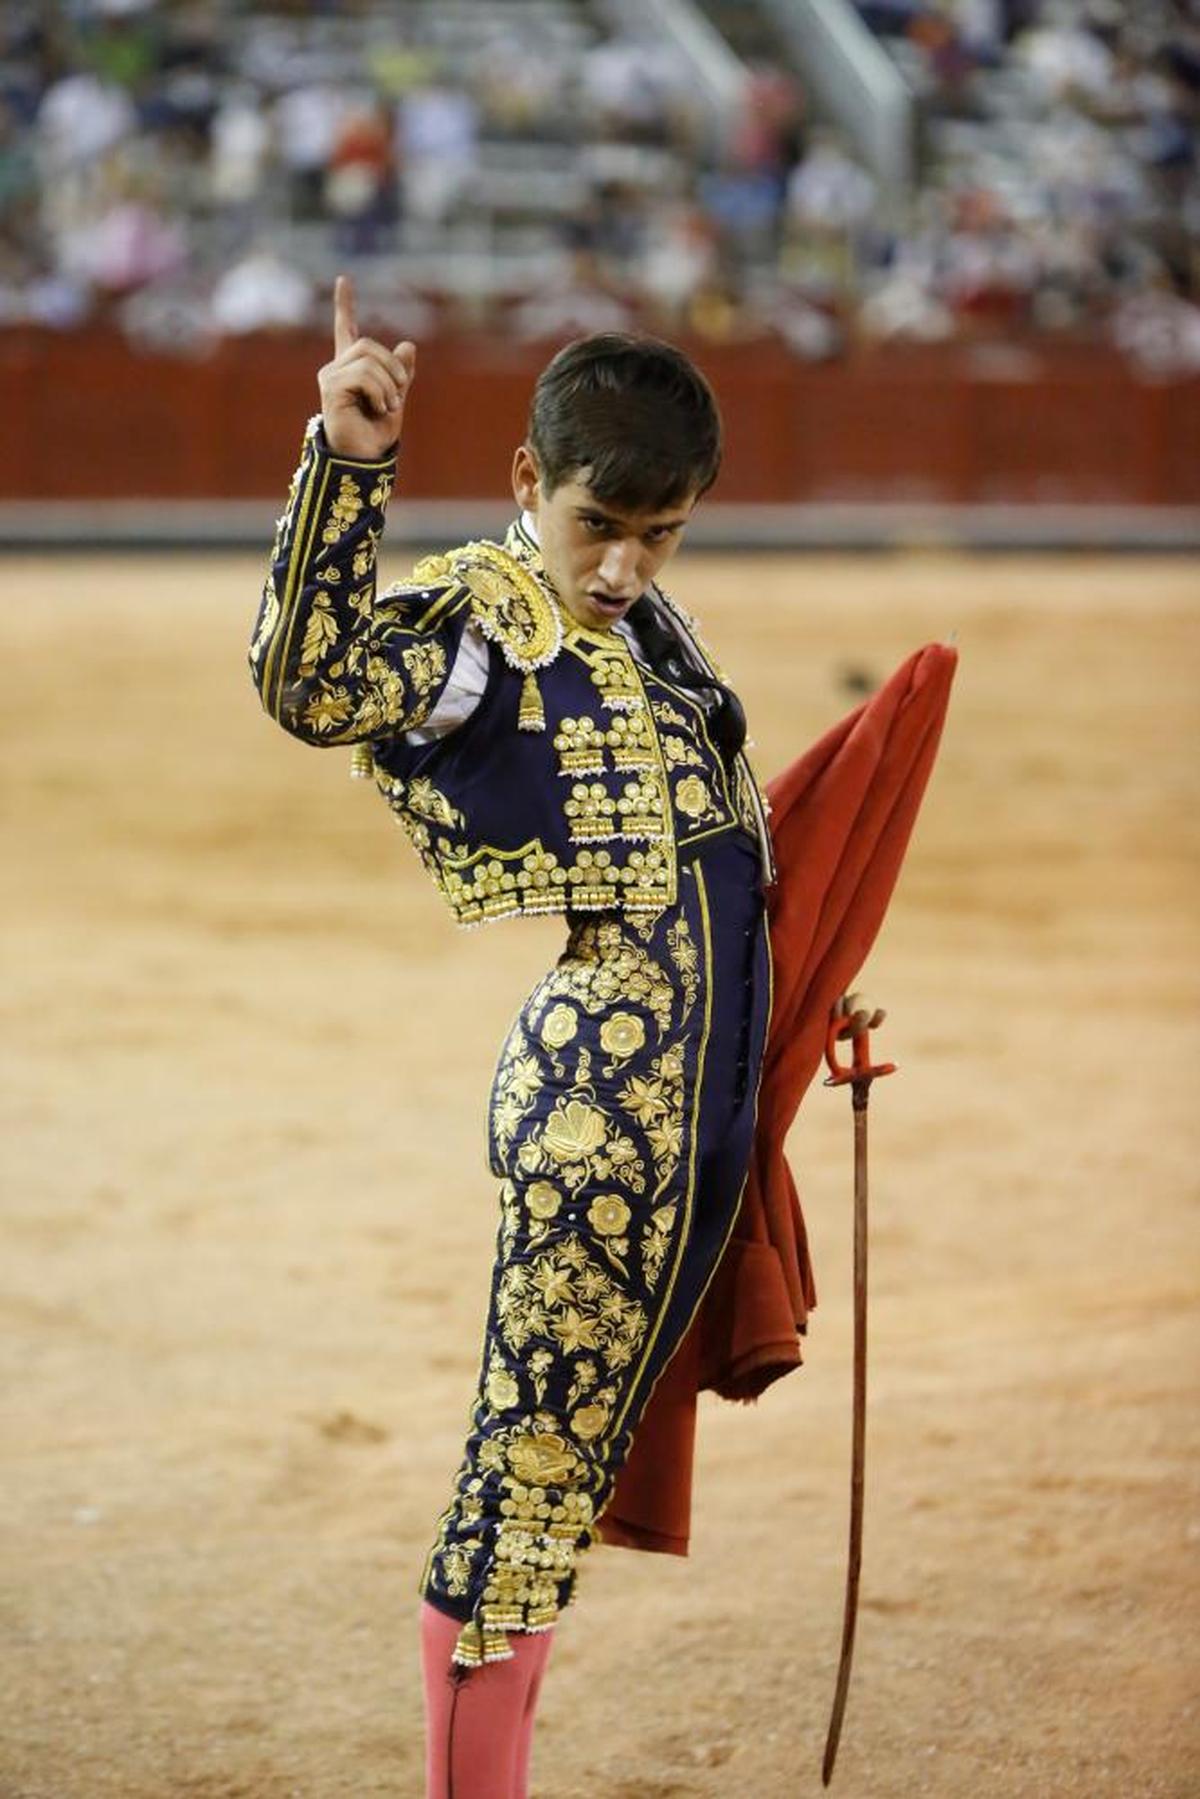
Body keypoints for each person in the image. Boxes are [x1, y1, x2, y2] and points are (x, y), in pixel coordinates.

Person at [249, 275, 780, 1799]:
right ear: (528, 483)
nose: (623, 566)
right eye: (600, 525)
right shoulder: (485, 620)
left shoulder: (648, 624)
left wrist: (803, 992)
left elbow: (720, 859)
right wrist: (345, 464)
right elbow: (316, 679)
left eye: (664, 534)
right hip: (602, 1121)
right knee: (527, 1491)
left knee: (569, 1472)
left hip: (689, 1114)